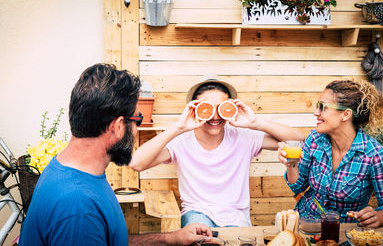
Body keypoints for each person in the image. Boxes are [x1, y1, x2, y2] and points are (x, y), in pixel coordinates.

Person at [19, 63, 212, 245]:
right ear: (119, 126)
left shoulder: (69, 169)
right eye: (138, 119)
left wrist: (171, 239)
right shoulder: (78, 208)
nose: (137, 129)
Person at [130, 77, 305, 227]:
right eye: (207, 108)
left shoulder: (244, 136)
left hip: (237, 219)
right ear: (195, 108)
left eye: (221, 108)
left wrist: (256, 122)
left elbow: (297, 139)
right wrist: (178, 127)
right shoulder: (181, 141)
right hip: (196, 215)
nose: (215, 116)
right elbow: (136, 163)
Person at [278, 80, 383, 227]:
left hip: (344, 232)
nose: (316, 112)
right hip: (306, 224)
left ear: (345, 115)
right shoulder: (314, 140)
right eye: (317, 106)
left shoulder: (375, 155)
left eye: (322, 107)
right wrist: (291, 164)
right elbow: (297, 187)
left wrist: (377, 216)